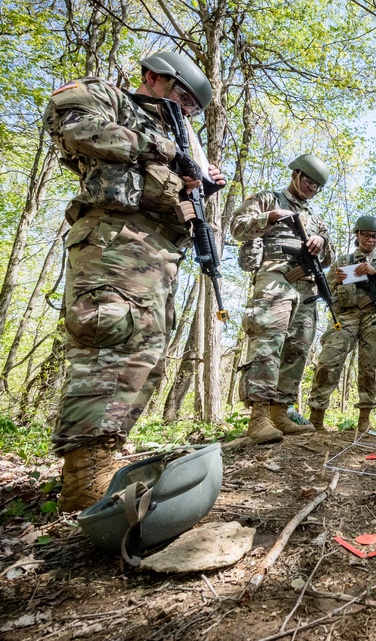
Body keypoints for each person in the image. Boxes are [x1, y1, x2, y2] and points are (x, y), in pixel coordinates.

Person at [44, 51, 227, 511]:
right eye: (183, 98)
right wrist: (163, 149)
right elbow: (72, 125)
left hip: (159, 255)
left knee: (147, 357)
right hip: (114, 240)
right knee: (112, 341)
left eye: (193, 109)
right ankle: (85, 473)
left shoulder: (180, 140)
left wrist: (196, 188)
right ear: (153, 77)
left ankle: (101, 459)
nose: (186, 112)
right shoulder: (109, 98)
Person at [230, 153, 332, 444]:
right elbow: (236, 226)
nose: (312, 188)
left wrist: (321, 243)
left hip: (306, 285)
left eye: (317, 186)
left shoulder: (316, 219)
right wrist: (269, 217)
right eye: (309, 181)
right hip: (274, 275)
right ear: (296, 174)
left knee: (297, 347)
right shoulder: (268, 198)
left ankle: (280, 412)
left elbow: (330, 256)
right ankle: (259, 416)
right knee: (268, 339)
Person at [307, 215, 376, 431]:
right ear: (357, 235)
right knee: (328, 361)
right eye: (366, 235)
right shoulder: (343, 261)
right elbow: (325, 287)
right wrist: (340, 280)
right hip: (346, 316)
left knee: (369, 367)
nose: (370, 240)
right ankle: (316, 417)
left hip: (375, 317)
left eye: (374, 236)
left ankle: (364, 420)